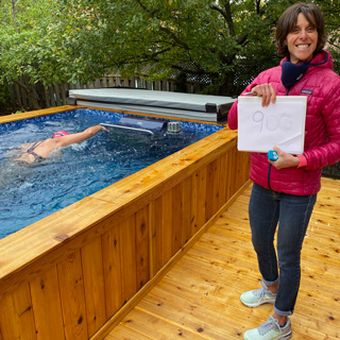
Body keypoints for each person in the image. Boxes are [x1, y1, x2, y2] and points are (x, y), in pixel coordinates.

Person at [227, 2, 340, 340]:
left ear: (317, 35)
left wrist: (300, 160)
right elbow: (234, 122)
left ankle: (281, 322)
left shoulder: (331, 84)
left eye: (309, 29)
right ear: (285, 37)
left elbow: (338, 142)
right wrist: (249, 93)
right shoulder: (266, 77)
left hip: (299, 188)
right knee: (261, 241)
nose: (302, 36)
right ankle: (270, 287)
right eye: (295, 29)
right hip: (262, 182)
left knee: (288, 253)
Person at [16, 124, 108, 164]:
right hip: (25, 168)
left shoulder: (34, 144)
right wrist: (100, 126)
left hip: (15, 163)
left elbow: (15, 151)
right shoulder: (57, 142)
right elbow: (88, 133)